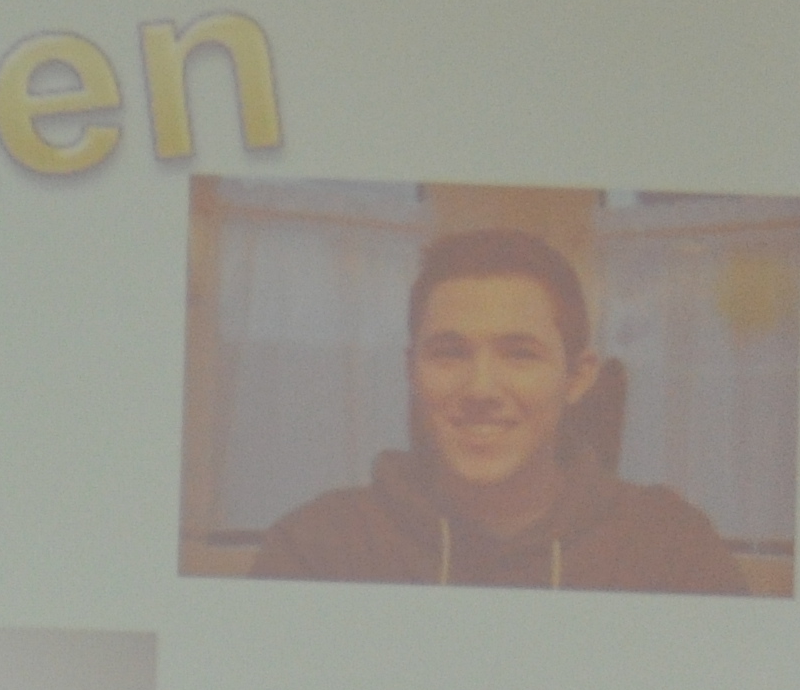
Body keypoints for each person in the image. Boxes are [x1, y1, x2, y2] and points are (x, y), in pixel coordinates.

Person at [249, 229, 748, 597]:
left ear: (577, 377)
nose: (481, 389)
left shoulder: (671, 549)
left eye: (519, 354)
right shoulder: (317, 550)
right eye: (450, 353)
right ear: (411, 371)